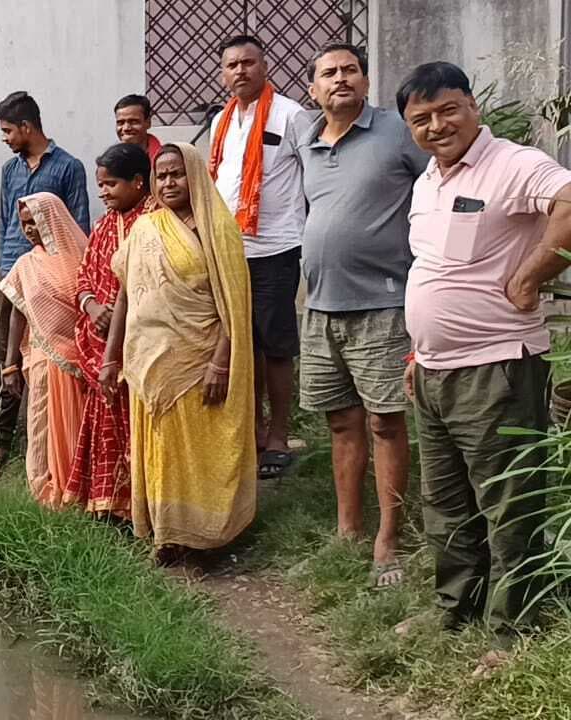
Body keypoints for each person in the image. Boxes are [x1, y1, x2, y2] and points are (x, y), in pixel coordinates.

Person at [397, 62, 571, 648]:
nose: (436, 125)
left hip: (496, 366)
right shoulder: (428, 181)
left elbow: (570, 203)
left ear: (472, 106)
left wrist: (530, 277)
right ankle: (456, 607)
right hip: (434, 370)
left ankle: (511, 630)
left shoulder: (513, 164)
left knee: (508, 501)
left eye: (448, 109)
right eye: (420, 118)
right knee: (444, 502)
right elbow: (434, 270)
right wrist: (418, 351)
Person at [290, 43, 430, 588]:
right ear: (313, 89)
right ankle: (348, 530)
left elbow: (438, 184)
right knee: (341, 422)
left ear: (367, 83)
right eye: (329, 73)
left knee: (385, 422)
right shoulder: (305, 139)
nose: (341, 79)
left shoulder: (397, 132)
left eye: (350, 70)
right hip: (322, 305)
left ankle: (388, 539)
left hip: (384, 304)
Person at [100, 143, 257, 563]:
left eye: (177, 174)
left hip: (199, 359)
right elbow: (124, 295)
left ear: (195, 175)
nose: (168, 182)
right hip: (150, 362)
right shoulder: (146, 228)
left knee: (199, 448)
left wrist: (221, 361)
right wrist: (111, 357)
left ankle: (206, 537)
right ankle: (167, 536)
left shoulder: (218, 229)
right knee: (162, 450)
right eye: (161, 175)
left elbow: (233, 304)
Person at [208, 35, 307, 480]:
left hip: (277, 247)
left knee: (275, 343)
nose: (240, 71)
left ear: (264, 66)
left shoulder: (292, 116)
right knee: (240, 343)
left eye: (248, 62)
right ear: (224, 73)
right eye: (232, 65)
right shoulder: (220, 123)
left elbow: (310, 175)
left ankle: (280, 435)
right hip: (231, 250)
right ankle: (252, 430)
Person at [0, 91, 92, 478]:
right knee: (8, 363)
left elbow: (78, 228)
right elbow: (4, 223)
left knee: (53, 362)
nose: (5, 138)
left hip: (52, 282)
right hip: (13, 274)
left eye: (8, 130)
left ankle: (57, 448)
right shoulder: (9, 171)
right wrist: (3, 270)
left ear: (28, 127)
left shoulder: (68, 168)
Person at [65, 143, 153, 518]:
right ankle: (107, 504)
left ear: (137, 182)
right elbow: (84, 275)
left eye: (110, 184)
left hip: (140, 341)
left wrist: (116, 314)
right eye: (100, 185)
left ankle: (141, 506)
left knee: (137, 425)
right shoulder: (102, 225)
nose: (103, 193)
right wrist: (91, 306)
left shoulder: (154, 223)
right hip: (100, 340)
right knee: (104, 419)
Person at [0, 192, 88, 505]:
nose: (29, 230)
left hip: (82, 361)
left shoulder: (83, 259)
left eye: (34, 221)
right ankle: (45, 491)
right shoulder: (26, 265)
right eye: (24, 224)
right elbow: (18, 316)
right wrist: (9, 366)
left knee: (77, 427)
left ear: (52, 219)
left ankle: (78, 490)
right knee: (41, 425)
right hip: (42, 358)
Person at [114, 94, 164, 161]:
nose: (126, 128)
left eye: (133, 122)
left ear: (148, 122)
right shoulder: (110, 162)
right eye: (120, 123)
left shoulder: (163, 159)